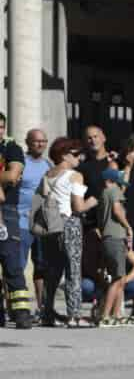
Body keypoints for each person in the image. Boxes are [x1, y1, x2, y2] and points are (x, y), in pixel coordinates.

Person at [38, 138, 96, 327]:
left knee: (52, 271)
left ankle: (46, 312)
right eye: (76, 154)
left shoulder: (47, 175)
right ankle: (74, 315)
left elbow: (43, 199)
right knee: (73, 269)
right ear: (64, 155)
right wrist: (95, 200)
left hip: (50, 225)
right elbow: (78, 207)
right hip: (69, 223)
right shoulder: (74, 176)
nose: (80, 157)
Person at [0, 123, 34, 328]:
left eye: (1, 127)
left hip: (7, 211)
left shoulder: (12, 149)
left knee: (12, 263)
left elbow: (12, 176)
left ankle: (21, 313)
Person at [17, 128, 50, 320]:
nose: (40, 144)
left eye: (43, 141)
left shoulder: (47, 164)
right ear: (28, 142)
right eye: (36, 141)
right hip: (20, 221)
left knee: (42, 267)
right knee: (16, 267)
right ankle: (15, 308)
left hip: (41, 223)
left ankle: (43, 308)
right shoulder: (21, 162)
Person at [96, 167, 133, 327]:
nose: (120, 187)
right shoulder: (113, 191)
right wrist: (128, 226)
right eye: (118, 183)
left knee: (119, 278)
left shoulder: (103, 195)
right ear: (109, 181)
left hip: (107, 238)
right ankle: (106, 316)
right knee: (117, 279)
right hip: (116, 237)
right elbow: (117, 210)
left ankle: (115, 315)